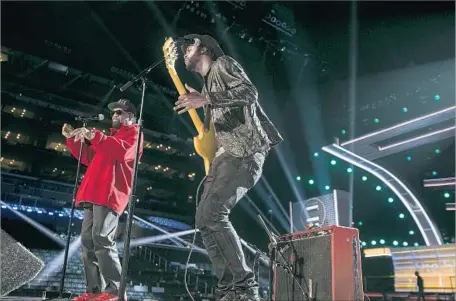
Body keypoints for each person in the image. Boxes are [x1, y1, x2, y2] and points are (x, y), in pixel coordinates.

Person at [174, 34, 283, 301]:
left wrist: (206, 99)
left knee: (213, 212)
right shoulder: (208, 84)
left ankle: (245, 286)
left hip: (245, 151)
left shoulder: (223, 64)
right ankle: (229, 289)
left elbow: (249, 92)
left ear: (205, 48)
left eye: (190, 47)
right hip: (225, 155)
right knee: (203, 218)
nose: (185, 53)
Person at [62, 99, 143, 301]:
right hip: (93, 192)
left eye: (119, 112)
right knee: (87, 240)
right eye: (113, 112)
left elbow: (122, 152)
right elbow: (89, 157)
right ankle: (94, 291)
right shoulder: (108, 138)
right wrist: (73, 139)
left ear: (130, 116)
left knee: (102, 238)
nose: (114, 115)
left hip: (110, 193)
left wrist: (94, 135)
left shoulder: (135, 134)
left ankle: (116, 291)